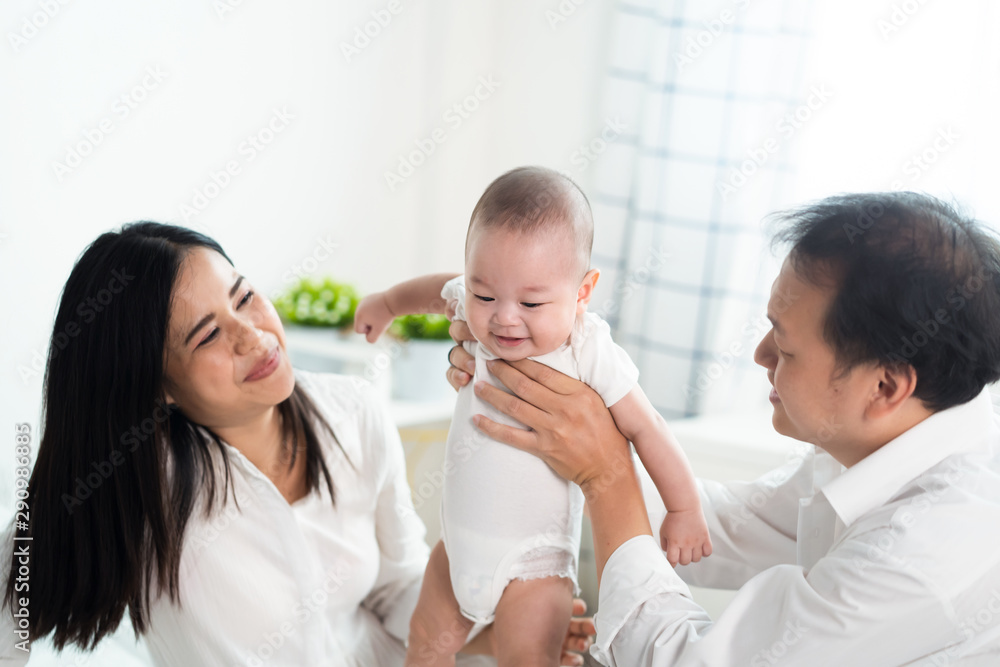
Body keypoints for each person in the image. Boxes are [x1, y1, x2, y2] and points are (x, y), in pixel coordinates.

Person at [0, 222, 594, 666]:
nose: (254, 337)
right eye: (208, 335)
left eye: (243, 297)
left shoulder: (353, 413)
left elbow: (396, 588)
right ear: (158, 386)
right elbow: (12, 593)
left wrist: (489, 630)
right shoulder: (132, 484)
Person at [445, 192, 1000, 665]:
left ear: (884, 387)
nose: (760, 355)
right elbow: (725, 526)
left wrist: (605, 472)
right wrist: (553, 424)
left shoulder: (927, 553)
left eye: (783, 345)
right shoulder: (887, 443)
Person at [354, 166, 710, 666]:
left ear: (583, 292)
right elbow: (442, 291)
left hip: (535, 567)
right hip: (455, 550)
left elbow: (645, 426)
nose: (503, 316)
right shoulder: (474, 315)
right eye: (485, 296)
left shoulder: (587, 348)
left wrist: (684, 508)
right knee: (424, 645)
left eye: (532, 302)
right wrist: (389, 303)